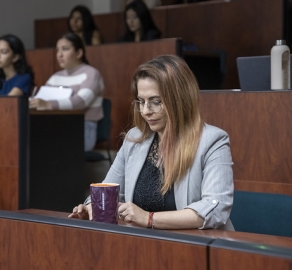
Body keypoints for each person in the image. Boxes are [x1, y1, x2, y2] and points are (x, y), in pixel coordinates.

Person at [69, 54, 234, 230]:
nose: (146, 111)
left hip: (194, 247)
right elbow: (108, 190)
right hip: (145, 245)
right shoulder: (134, 139)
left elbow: (215, 209)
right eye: (141, 102)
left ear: (179, 100)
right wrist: (91, 207)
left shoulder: (212, 141)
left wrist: (149, 218)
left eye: (156, 102)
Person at [29, 33, 104, 152]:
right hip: (55, 125)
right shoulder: (55, 77)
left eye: (65, 49)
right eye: (57, 50)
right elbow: (40, 100)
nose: (59, 54)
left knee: (42, 144)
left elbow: (81, 101)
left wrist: (48, 105)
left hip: (82, 127)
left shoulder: (91, 73)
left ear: (79, 53)